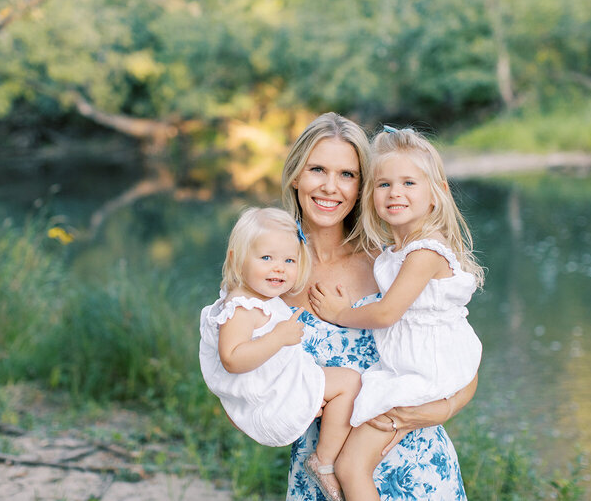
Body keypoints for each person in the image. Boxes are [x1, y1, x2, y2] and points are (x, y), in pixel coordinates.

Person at [281, 112, 478, 500]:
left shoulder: (390, 263)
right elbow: (238, 386)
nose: (330, 187)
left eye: (348, 175)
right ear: (295, 176)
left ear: (360, 186)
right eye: (317, 169)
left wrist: (443, 409)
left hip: (419, 469)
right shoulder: (271, 274)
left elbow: (457, 356)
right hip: (323, 476)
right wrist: (292, 397)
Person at [198, 207, 360, 501]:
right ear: (236, 259)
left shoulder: (262, 299)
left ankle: (327, 456)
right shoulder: (242, 306)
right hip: (270, 395)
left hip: (280, 383)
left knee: (346, 383)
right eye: (267, 258)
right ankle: (323, 460)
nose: (279, 268)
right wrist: (277, 338)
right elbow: (232, 359)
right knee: (349, 383)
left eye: (289, 260)